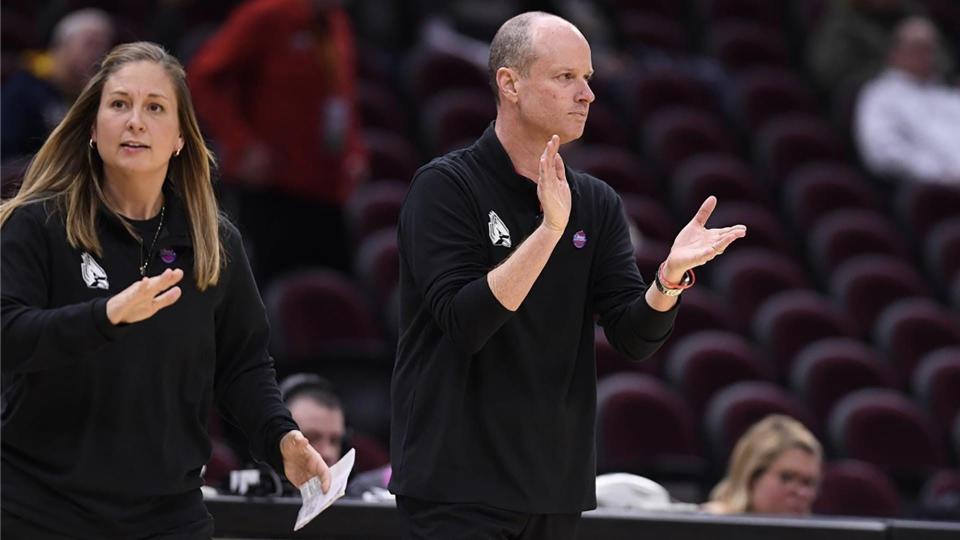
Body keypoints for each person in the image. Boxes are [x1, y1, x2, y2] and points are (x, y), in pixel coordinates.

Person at [389, 11, 746, 540]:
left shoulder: (597, 202)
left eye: (589, 78)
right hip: (456, 485)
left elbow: (631, 337)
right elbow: (465, 322)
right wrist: (548, 232)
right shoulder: (445, 188)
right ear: (509, 84)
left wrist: (668, 279)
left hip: (554, 486)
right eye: (566, 78)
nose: (588, 95)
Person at [0, 41, 331, 539]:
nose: (135, 121)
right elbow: (7, 334)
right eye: (119, 104)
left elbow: (242, 365)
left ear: (179, 136)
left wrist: (280, 437)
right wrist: (104, 316)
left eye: (155, 107)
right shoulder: (38, 224)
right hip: (40, 510)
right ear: (93, 127)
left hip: (168, 517)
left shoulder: (213, 242)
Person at [188, 0, 367, 284]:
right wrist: (242, 145)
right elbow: (202, 79)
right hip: (274, 188)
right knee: (272, 294)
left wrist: (355, 151)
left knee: (337, 297)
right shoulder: (266, 15)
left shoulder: (337, 21)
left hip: (328, 188)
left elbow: (343, 96)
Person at [854, 16, 960, 185]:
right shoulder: (880, 94)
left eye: (930, 49)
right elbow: (882, 152)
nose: (926, 56)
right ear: (895, 53)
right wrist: (942, 172)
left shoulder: (948, 95)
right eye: (917, 48)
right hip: (933, 188)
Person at [1, 8, 115, 161]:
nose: (98, 53)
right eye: (90, 43)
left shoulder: (93, 94)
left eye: (103, 46)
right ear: (62, 44)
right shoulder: (23, 89)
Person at [703, 415, 822, 516]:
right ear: (752, 479)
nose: (801, 492)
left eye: (808, 482)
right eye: (787, 478)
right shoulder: (709, 525)